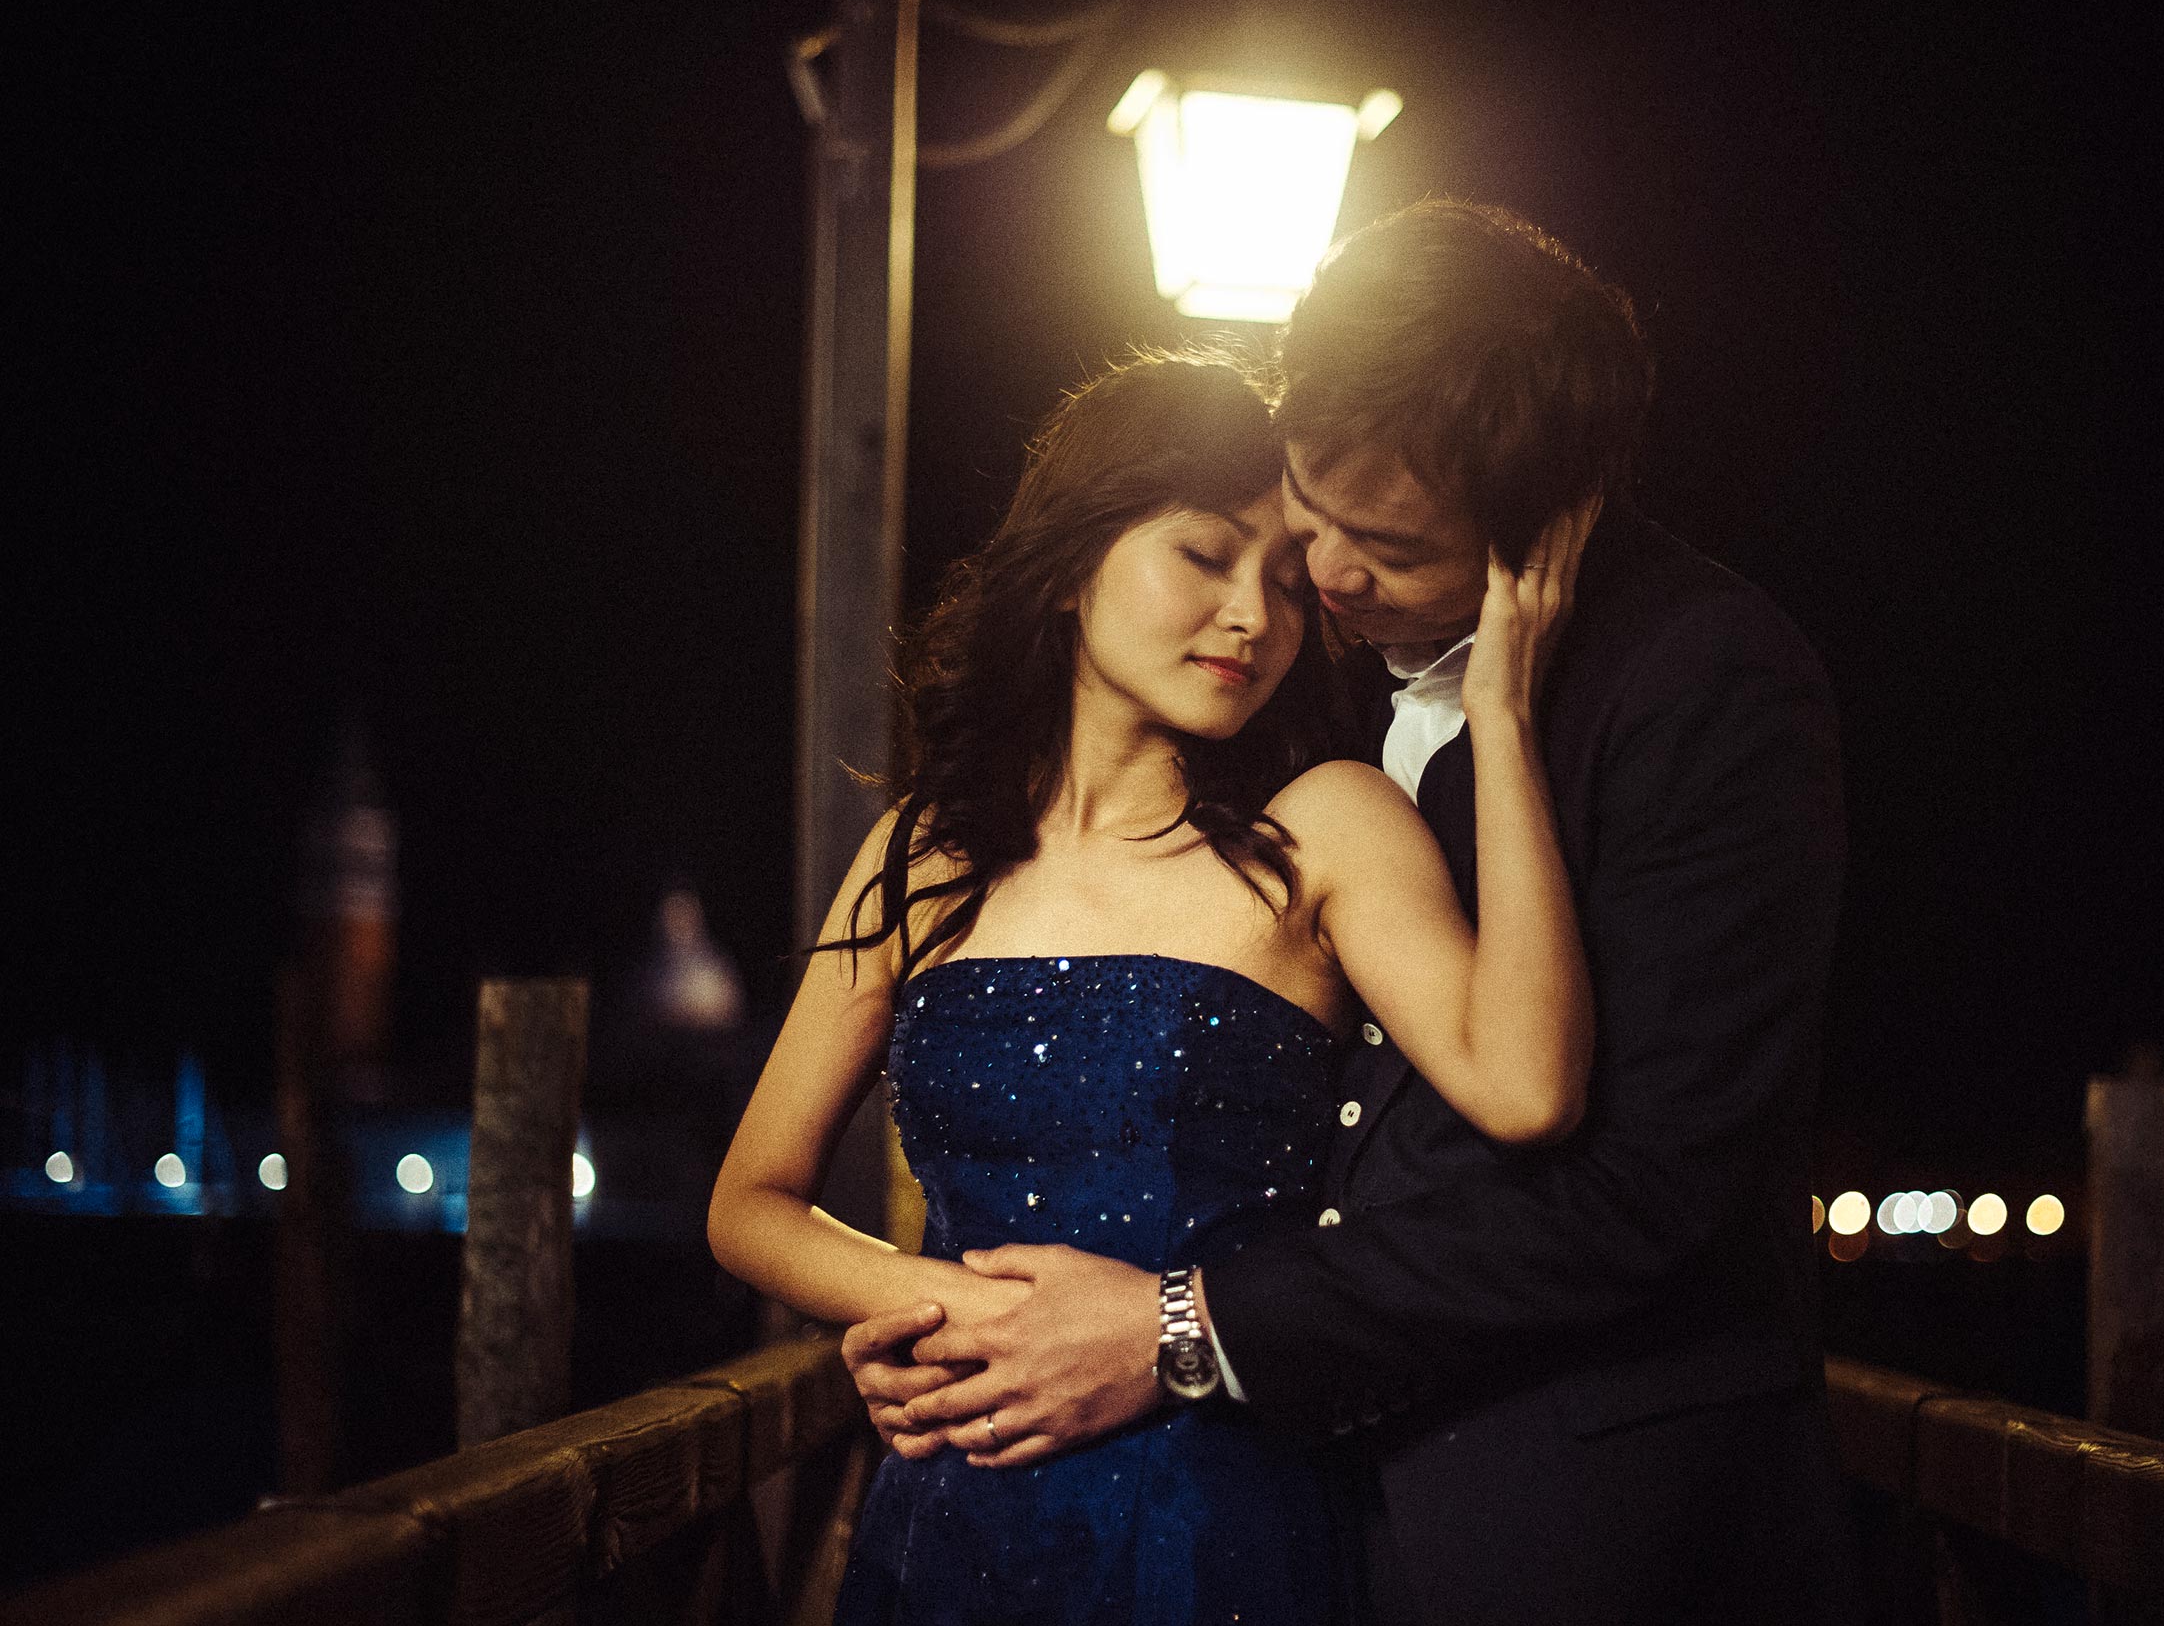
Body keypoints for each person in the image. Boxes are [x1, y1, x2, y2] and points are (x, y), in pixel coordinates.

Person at [848, 201, 1861, 1625]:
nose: (1320, 575)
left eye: (1381, 543)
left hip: (1573, 1526)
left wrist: (1182, 1327)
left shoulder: (1706, 686)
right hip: (1277, 1503)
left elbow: (1642, 1196)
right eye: (1307, 507)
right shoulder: (1310, 683)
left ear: (1537, 524)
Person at [707, 347, 1600, 1624]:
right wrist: (950, 1308)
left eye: (1289, 584)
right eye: (1205, 555)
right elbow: (750, 1200)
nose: (1257, 615)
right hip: (958, 1497)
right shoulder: (922, 849)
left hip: (1217, 1514)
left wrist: (1500, 715)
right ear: (1073, 563)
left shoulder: (1323, 829)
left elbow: (1527, 1089)